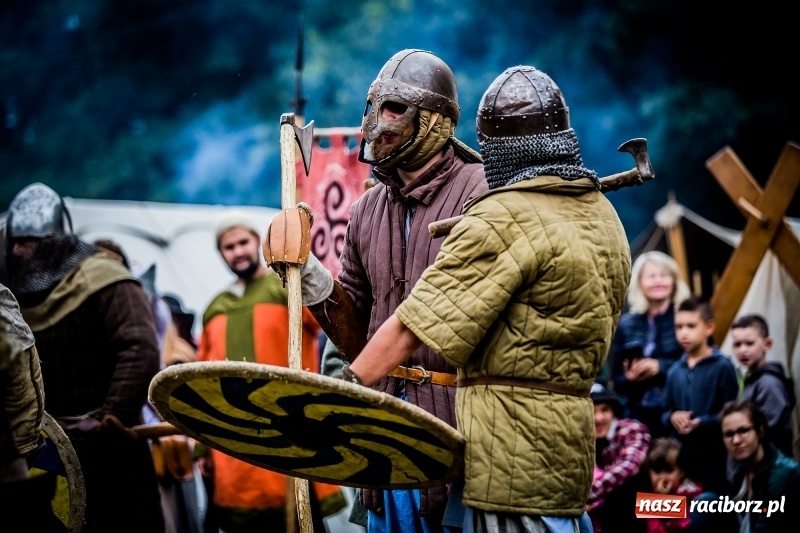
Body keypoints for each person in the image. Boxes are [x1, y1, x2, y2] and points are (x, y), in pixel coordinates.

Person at [337, 65, 631, 530]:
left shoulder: (500, 213)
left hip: (505, 450)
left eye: (395, 109)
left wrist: (339, 395)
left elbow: (417, 324)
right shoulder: (603, 214)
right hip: (564, 445)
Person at [266, 48, 487, 531]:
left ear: (433, 121)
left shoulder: (482, 192)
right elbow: (356, 337)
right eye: (373, 107)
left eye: (394, 109)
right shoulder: (367, 210)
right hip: (381, 421)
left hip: (461, 421)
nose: (374, 122)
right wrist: (311, 279)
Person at [4, 182, 165, 532]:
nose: (17, 251)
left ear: (54, 241)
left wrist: (110, 418)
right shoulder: (12, 296)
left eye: (27, 242)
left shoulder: (105, 279)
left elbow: (138, 349)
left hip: (112, 448)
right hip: (43, 451)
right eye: (14, 241)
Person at [195, 209, 345, 533]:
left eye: (243, 242)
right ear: (221, 253)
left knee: (302, 517)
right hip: (232, 437)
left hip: (290, 425)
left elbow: (333, 323)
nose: (238, 251)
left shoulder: (286, 287)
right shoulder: (214, 308)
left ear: (256, 242)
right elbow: (204, 381)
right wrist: (202, 445)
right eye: (229, 246)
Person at [661, 296, 739, 496]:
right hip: (682, 460)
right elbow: (664, 410)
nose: (683, 333)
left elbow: (732, 413)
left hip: (714, 459)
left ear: (709, 327)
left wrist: (702, 422)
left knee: (710, 511)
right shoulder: (674, 370)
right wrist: (672, 416)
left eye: (690, 326)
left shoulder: (723, 366)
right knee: (679, 517)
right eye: (678, 327)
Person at [609, 251, 691, 438]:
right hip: (638, 415)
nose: (658, 281)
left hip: (678, 413)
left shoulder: (687, 318)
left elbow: (702, 362)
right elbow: (616, 381)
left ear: (674, 280)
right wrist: (630, 377)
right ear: (639, 283)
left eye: (664, 275)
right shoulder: (625, 324)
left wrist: (660, 366)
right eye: (651, 276)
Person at [722, 399, 800, 532]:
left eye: (743, 431)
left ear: (760, 431)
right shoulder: (741, 470)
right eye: (729, 434)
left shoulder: (782, 474)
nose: (736, 440)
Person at [588, 383, 650, 532]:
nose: (598, 418)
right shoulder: (584, 439)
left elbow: (627, 467)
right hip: (609, 512)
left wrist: (585, 495)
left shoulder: (632, 429)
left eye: (605, 410)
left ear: (614, 412)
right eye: (592, 411)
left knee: (621, 496)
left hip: (659, 506)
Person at [731, 314, 795, 457]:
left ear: (767, 344)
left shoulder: (768, 383)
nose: (742, 350)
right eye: (737, 344)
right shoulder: (748, 380)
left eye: (749, 343)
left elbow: (770, 432)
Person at [641, 437, 704, 533]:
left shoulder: (691, 492)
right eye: (657, 471)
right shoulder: (649, 493)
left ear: (682, 471)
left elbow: (685, 526)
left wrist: (664, 501)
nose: (663, 477)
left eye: (669, 471)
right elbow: (653, 527)